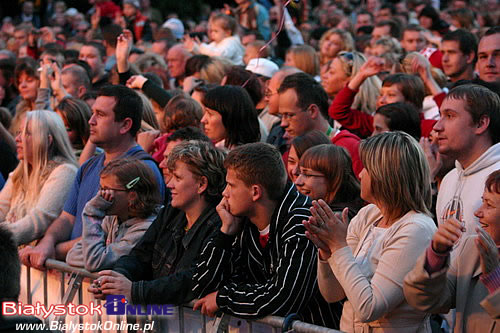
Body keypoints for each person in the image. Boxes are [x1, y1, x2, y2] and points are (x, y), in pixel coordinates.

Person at [192, 142, 342, 328]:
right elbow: (203, 285)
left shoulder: (302, 222)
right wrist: (225, 234)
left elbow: (283, 299)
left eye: (231, 185)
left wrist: (224, 298)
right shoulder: (241, 220)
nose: (225, 193)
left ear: (255, 192)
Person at [19, 85, 165, 269]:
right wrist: (46, 242)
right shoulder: (88, 166)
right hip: (75, 275)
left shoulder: (144, 171)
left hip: (106, 289)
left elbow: (110, 236)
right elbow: (67, 219)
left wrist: (54, 250)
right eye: (92, 113)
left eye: (100, 115)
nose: (91, 121)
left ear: (125, 125)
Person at [304, 131, 436, 332]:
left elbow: (369, 308)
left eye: (366, 168)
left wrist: (339, 246)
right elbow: (333, 294)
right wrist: (327, 253)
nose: (359, 174)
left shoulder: (416, 230)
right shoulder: (369, 214)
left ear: (385, 175)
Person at [88, 141, 225, 306]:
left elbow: (191, 280)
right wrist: (116, 281)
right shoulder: (171, 213)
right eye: (171, 176)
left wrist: (134, 291)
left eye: (178, 178)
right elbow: (140, 255)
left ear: (201, 184)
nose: (169, 185)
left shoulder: (220, 225)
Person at [404, 169, 500, 331]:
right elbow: (426, 301)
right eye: (482, 201)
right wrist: (436, 255)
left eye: (489, 204)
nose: (478, 212)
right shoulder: (472, 247)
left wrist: (494, 278)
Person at [66, 158, 160, 272]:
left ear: (132, 196)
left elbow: (94, 261)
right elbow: (72, 255)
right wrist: (97, 256)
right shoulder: (113, 218)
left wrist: (92, 214)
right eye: (100, 189)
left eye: (106, 190)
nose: (99, 196)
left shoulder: (145, 228)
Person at [0, 110, 78, 246]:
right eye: (19, 132)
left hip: (37, 264)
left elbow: (39, 220)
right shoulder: (20, 172)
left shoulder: (65, 172)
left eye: (27, 133)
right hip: (16, 257)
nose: (18, 139)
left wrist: (2, 237)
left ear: (48, 140)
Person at [434, 84, 500, 239]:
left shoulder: (497, 177)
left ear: (481, 124)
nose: (437, 126)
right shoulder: (449, 179)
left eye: (450, 116)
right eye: (439, 116)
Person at [278, 72, 363, 176]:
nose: (283, 123)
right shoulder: (290, 155)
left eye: (289, 115)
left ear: (312, 111)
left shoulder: (349, 148)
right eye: (281, 115)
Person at [295, 144, 364, 220]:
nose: (298, 182)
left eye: (307, 174)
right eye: (299, 173)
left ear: (333, 179)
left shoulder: (336, 219)